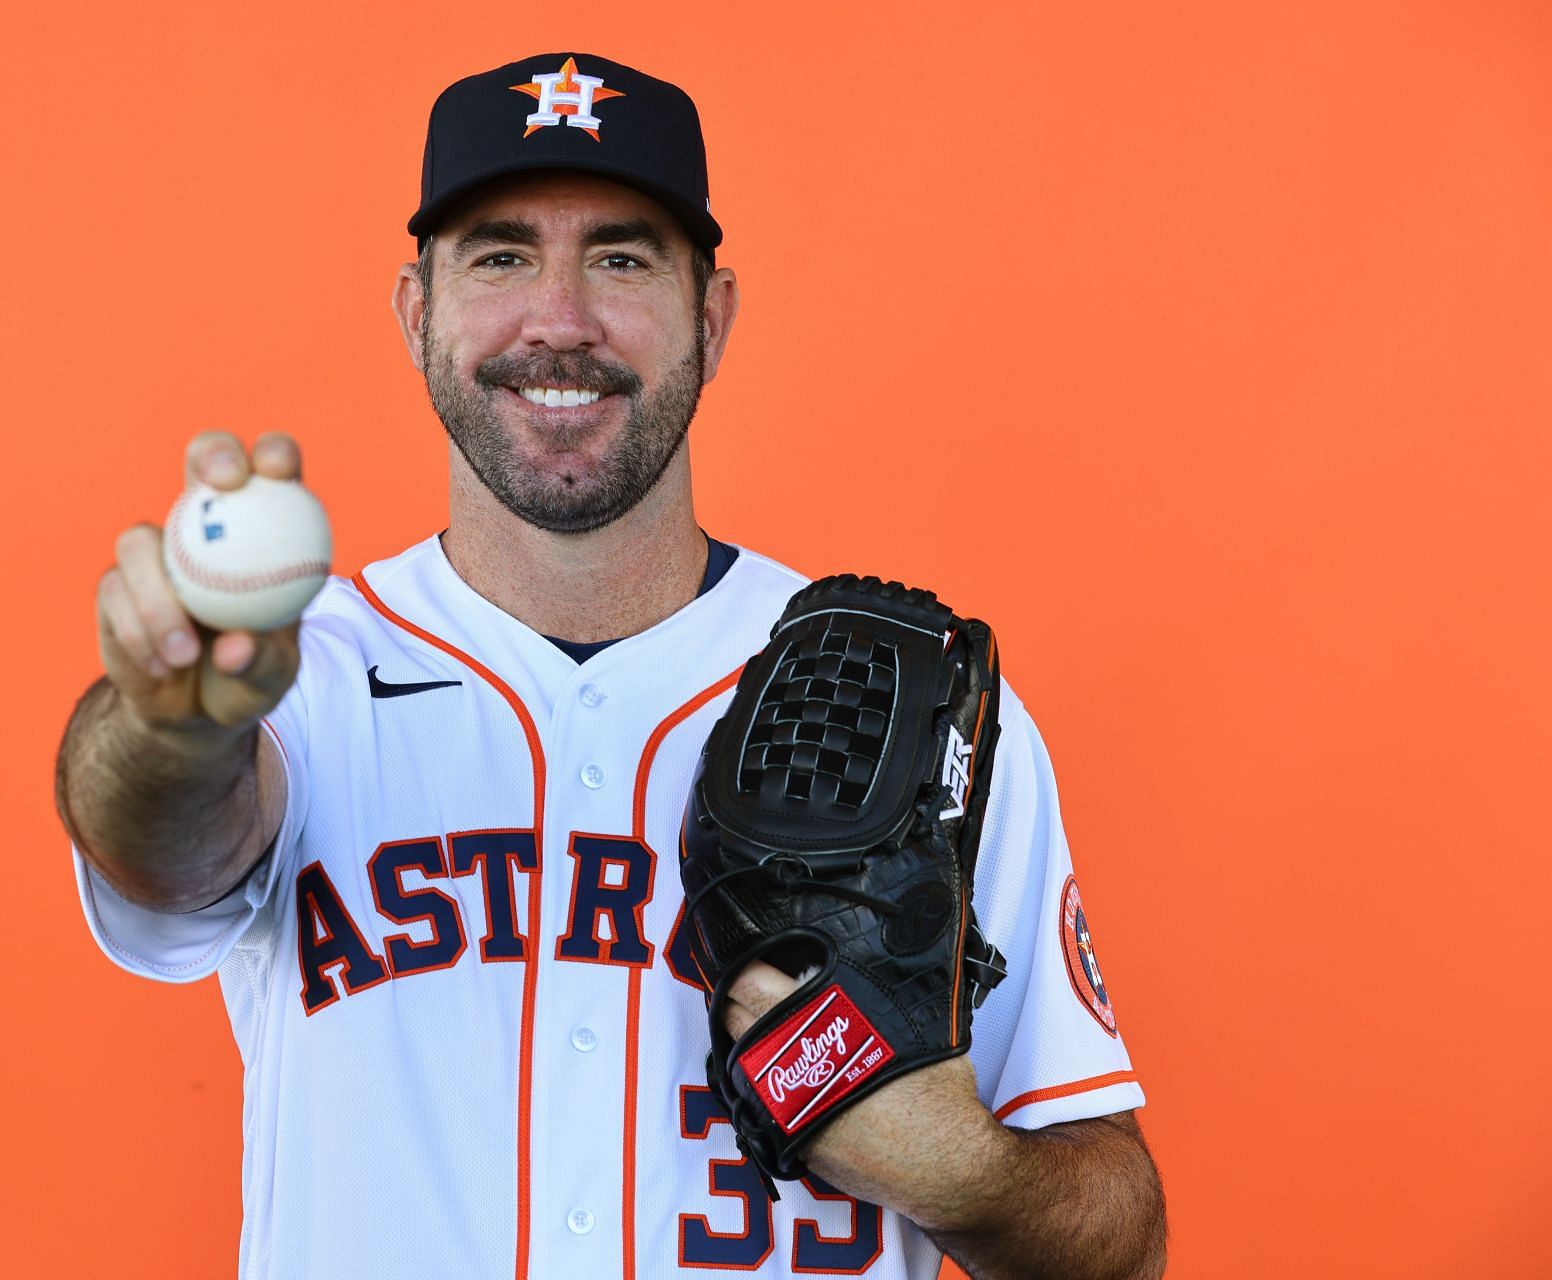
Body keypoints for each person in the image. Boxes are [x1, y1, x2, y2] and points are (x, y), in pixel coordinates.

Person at [56, 51, 1167, 1280]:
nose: (561, 318)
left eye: (624, 257)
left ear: (716, 314)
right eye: (500, 255)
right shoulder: (300, 675)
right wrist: (171, 727)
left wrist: (959, 1166)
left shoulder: (906, 706)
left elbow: (1115, 1241)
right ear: (416, 310)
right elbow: (163, 847)